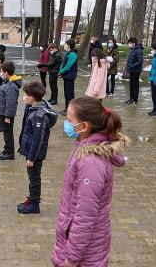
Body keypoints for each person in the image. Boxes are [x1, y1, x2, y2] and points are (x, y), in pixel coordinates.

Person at [52, 97, 129, 267]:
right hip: (77, 242)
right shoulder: (83, 146)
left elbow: (85, 216)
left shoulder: (90, 162)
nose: (67, 124)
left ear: (85, 126)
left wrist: (71, 259)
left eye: (70, 120)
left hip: (83, 254)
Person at [17, 82, 58, 214]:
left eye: (25, 94)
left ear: (31, 97)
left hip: (34, 154)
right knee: (32, 177)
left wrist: (31, 158)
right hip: (31, 151)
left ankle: (34, 204)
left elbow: (37, 139)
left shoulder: (39, 115)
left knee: (34, 178)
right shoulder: (33, 107)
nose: (23, 96)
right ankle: (32, 198)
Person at [0, 61, 22, 161]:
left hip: (6, 115)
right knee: (6, 133)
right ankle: (7, 151)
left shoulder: (10, 86)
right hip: (3, 113)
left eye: (1, 71)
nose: (0, 73)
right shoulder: (7, 82)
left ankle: (9, 153)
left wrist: (8, 117)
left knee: (8, 134)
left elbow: (11, 104)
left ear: (6, 73)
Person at [58, 39, 78, 116]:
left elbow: (68, 66)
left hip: (70, 76)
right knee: (66, 94)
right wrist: (60, 72)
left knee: (70, 94)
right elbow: (63, 63)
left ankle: (71, 110)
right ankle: (67, 108)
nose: (65, 45)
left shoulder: (73, 54)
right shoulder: (68, 53)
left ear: (69, 45)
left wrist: (61, 72)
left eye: (65, 44)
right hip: (66, 76)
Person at [125, 37, 144, 104]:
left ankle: (135, 99)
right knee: (131, 85)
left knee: (135, 85)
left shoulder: (139, 50)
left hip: (136, 71)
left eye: (130, 43)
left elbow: (140, 61)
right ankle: (131, 98)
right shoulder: (133, 50)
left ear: (134, 43)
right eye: (128, 43)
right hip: (132, 70)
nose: (129, 44)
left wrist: (132, 66)